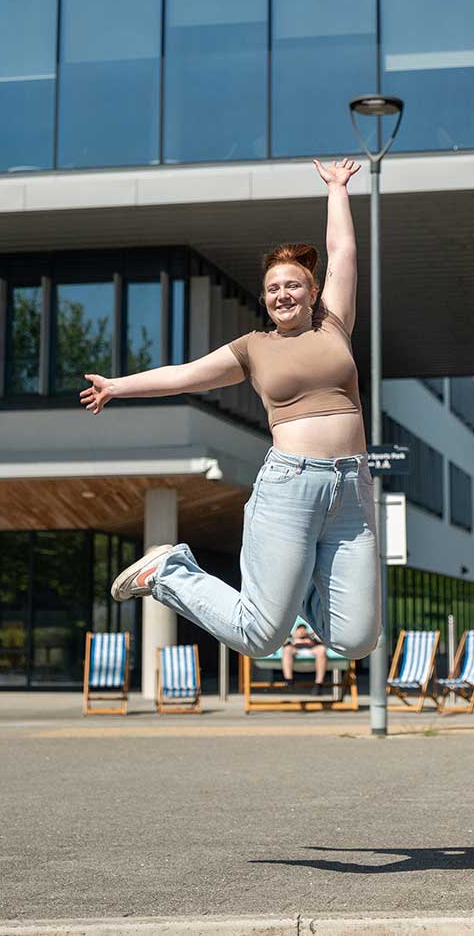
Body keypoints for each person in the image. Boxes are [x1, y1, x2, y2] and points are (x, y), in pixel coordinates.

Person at [81, 159, 379, 666]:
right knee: (260, 638)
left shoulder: (334, 325)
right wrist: (117, 386)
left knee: (356, 640)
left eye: (293, 285)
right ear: (265, 300)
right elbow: (184, 375)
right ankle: (171, 573)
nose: (283, 294)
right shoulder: (253, 348)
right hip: (290, 487)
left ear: (312, 292)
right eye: (273, 289)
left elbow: (343, 251)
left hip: (352, 489)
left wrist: (337, 188)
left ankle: (295, 582)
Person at [280, 621, 329, 686]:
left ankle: (319, 682)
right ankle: (289, 679)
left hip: (311, 650)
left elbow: (323, 642)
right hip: (296, 651)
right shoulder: (291, 637)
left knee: (322, 649)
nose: (302, 631)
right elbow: (282, 643)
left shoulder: (312, 637)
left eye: (303, 629)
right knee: (287, 649)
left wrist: (311, 637)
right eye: (300, 629)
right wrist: (292, 637)